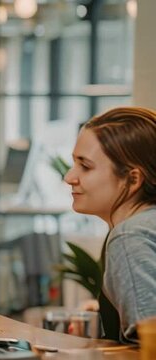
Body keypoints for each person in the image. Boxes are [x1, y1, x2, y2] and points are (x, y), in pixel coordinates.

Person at [64, 106, 156, 342]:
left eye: (85, 166)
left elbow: (151, 343)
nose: (69, 177)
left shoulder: (129, 236)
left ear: (133, 179)